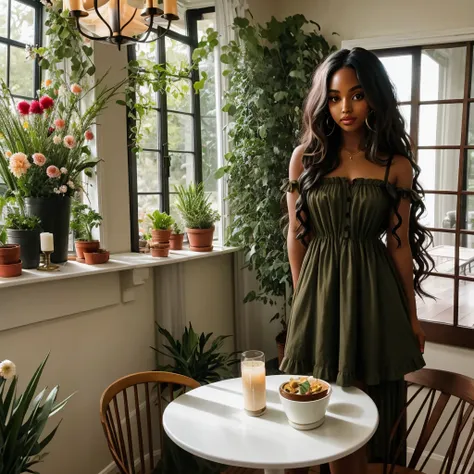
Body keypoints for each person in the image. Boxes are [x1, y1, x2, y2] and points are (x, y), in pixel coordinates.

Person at [280, 47, 434, 474]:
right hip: (319, 291)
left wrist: (412, 315)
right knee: (317, 408)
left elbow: (399, 246)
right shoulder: (305, 158)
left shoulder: (395, 165)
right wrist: (302, 302)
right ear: (323, 102)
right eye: (333, 97)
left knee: (357, 410)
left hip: (372, 292)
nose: (344, 108)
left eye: (357, 94)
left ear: (375, 98)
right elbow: (298, 237)